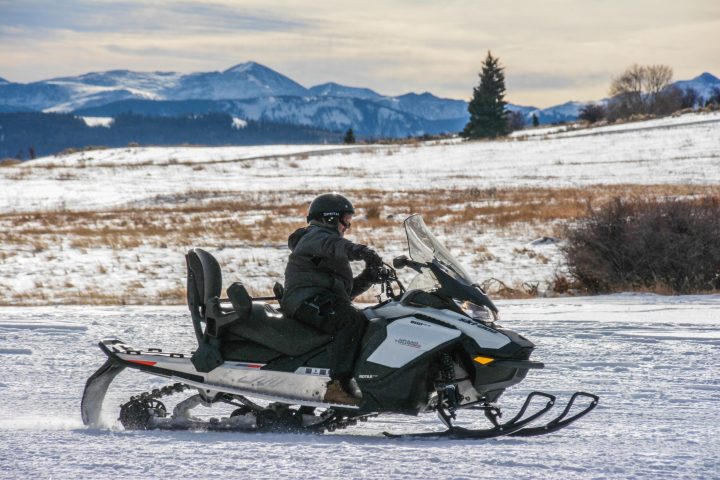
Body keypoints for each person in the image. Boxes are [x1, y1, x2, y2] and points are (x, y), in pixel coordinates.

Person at [281, 193, 383, 405]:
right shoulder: (316, 236)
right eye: (346, 219)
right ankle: (338, 386)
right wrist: (361, 251)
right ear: (330, 218)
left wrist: (369, 277)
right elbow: (335, 246)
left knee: (362, 317)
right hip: (305, 301)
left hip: (317, 300)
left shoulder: (320, 241)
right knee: (352, 320)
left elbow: (343, 295)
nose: (348, 225)